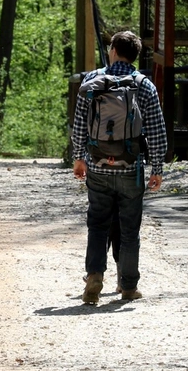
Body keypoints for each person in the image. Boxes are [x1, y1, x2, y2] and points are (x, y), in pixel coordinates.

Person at [70, 30, 167, 305]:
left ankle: (94, 276)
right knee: (129, 230)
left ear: (113, 50)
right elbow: (157, 130)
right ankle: (128, 286)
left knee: (98, 224)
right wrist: (156, 168)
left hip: (98, 165)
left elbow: (79, 126)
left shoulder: (92, 81)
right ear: (135, 55)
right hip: (131, 168)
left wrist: (79, 158)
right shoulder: (143, 85)